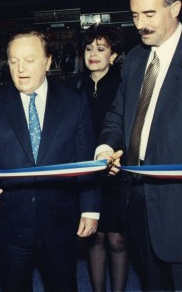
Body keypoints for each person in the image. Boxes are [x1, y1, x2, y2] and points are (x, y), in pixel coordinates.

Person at [0, 31, 100, 292]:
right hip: (12, 222)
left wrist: (90, 209)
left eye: (29, 60)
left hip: (61, 220)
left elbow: (85, 158)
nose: (20, 69)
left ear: (48, 62)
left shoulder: (74, 102)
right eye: (13, 61)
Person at [99, 0, 182, 291]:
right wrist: (105, 148)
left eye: (149, 14)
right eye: (134, 15)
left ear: (175, 9)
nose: (140, 24)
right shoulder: (134, 60)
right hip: (135, 198)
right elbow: (117, 115)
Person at [75, 26, 127, 292]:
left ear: (114, 55)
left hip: (115, 171)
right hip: (87, 175)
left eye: (101, 49)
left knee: (117, 240)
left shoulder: (123, 86)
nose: (93, 54)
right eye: (88, 48)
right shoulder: (76, 87)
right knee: (93, 238)